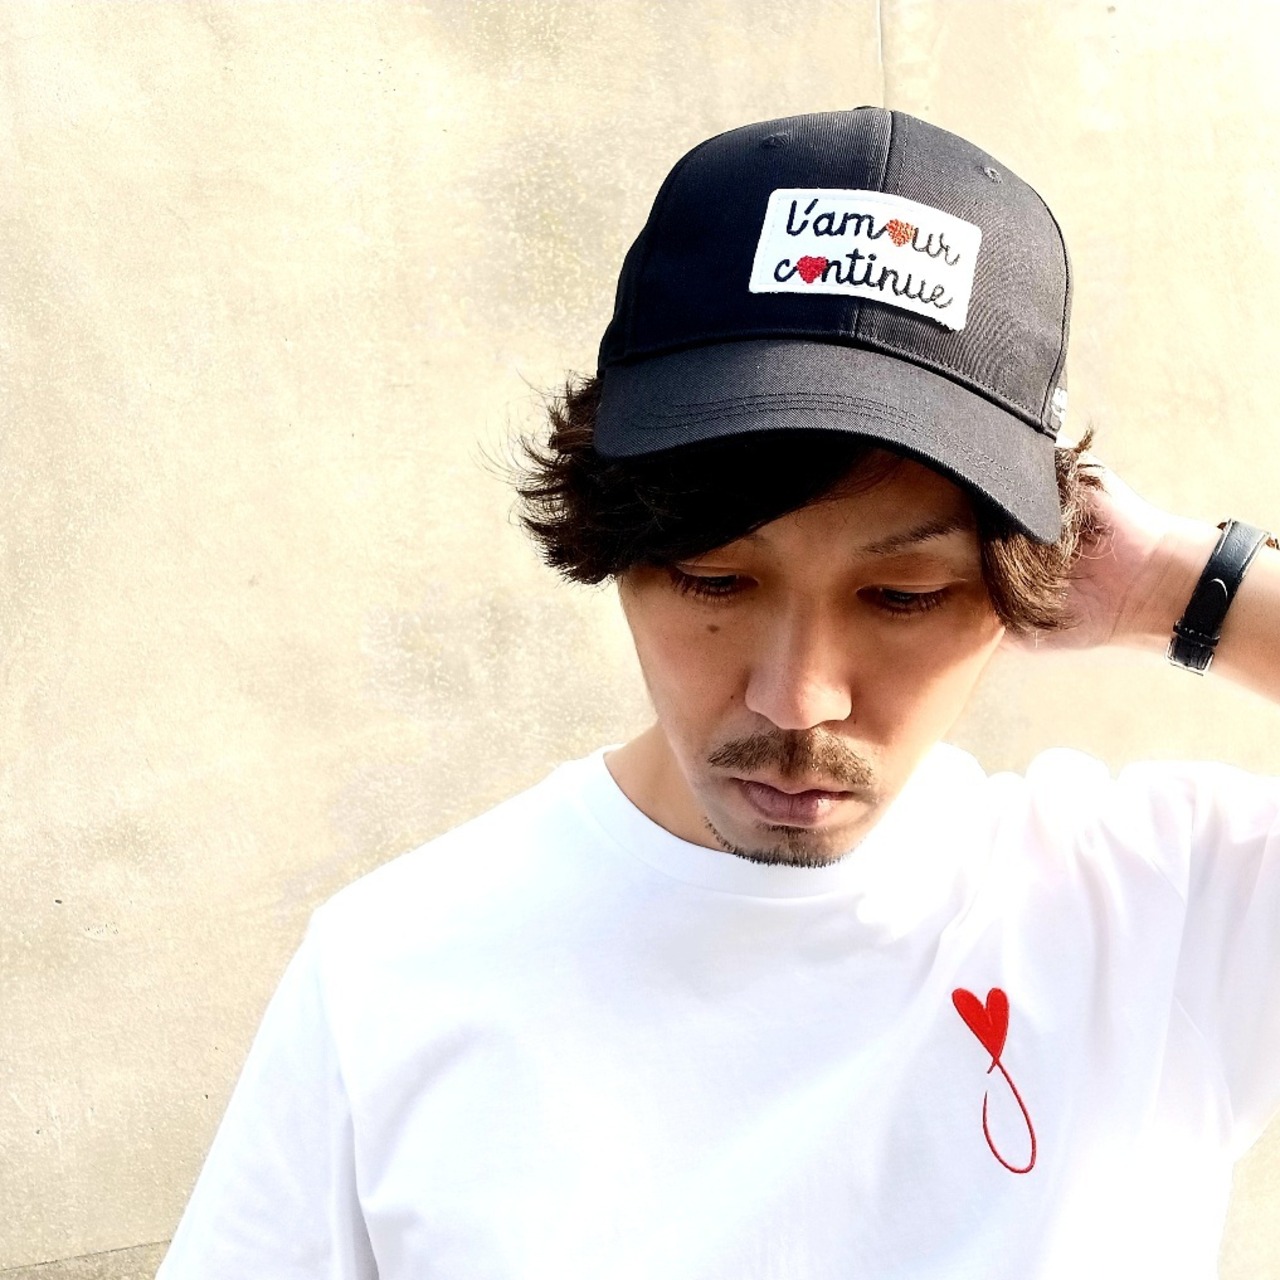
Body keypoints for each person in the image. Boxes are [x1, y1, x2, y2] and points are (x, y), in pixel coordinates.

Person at [156, 108, 1280, 1278]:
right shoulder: (392, 971)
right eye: (713, 578)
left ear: (1017, 589)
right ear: (614, 546)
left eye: (899, 595)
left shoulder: (1160, 911)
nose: (797, 698)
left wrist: (1176, 584)